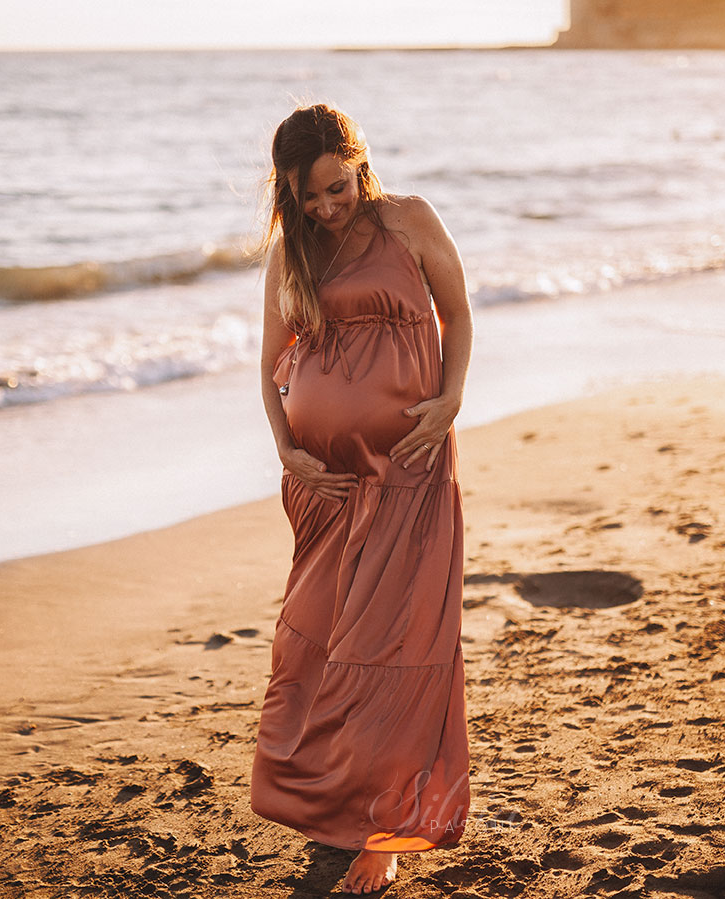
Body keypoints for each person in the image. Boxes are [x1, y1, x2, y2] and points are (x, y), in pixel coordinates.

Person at [249, 103, 474, 895]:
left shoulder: (409, 222)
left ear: (358, 160)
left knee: (391, 648)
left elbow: (457, 311)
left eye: (335, 187)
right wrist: (287, 449)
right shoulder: (296, 250)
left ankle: (378, 830)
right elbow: (272, 364)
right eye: (307, 196)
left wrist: (449, 400)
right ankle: (333, 809)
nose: (324, 207)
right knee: (319, 646)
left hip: (407, 470)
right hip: (326, 486)